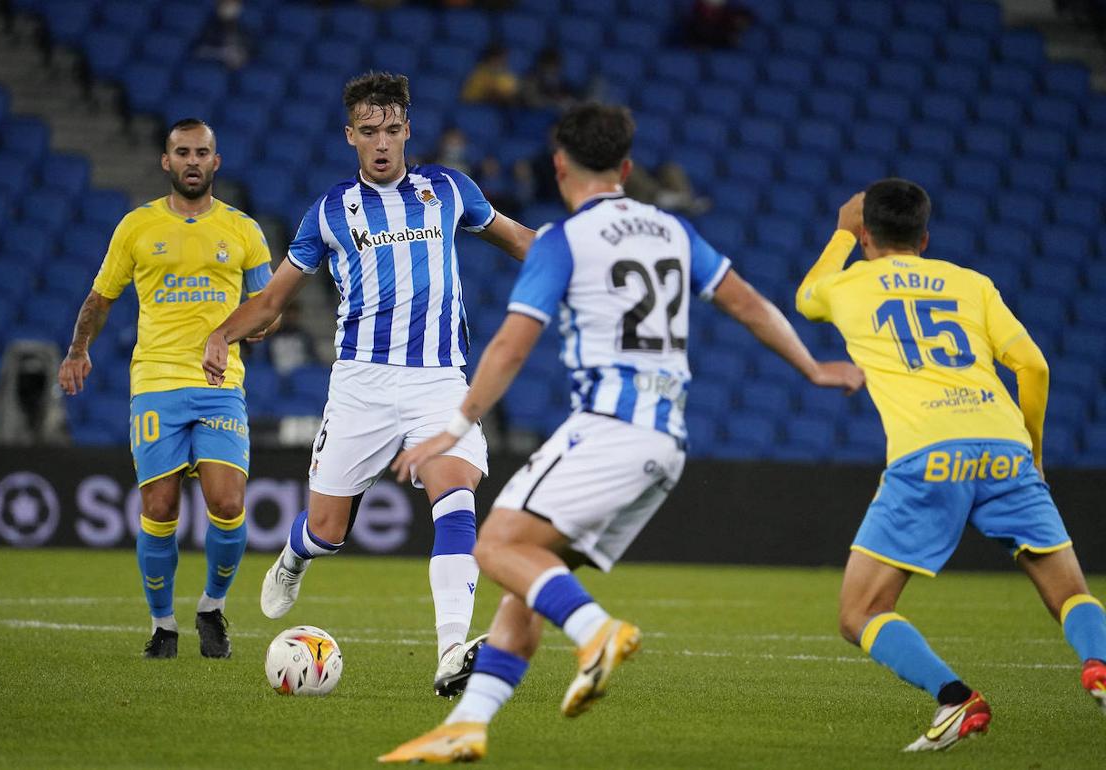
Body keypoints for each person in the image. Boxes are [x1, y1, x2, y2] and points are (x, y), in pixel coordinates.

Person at [377, 103, 863, 763]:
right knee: (529, 580)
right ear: (627, 168)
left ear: (558, 166)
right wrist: (811, 365)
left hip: (608, 428)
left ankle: (597, 630)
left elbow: (511, 349)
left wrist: (453, 426)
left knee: (494, 547)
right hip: (666, 444)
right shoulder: (672, 230)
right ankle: (468, 722)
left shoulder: (563, 240)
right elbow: (746, 302)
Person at [201, 71, 535, 696]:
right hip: (361, 385)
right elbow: (272, 299)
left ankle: (449, 653)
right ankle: (297, 555)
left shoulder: (449, 190)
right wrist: (222, 334)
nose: (381, 142)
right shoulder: (330, 212)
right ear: (349, 136)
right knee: (327, 530)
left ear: (407, 130)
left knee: (456, 498)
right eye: (368, 132)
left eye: (391, 129)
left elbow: (519, 240)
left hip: (439, 381)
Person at [795, 180, 1106, 751]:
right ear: (925, 236)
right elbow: (1034, 367)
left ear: (867, 235)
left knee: (859, 612)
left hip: (928, 454)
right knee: (1070, 594)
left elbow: (806, 296)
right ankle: (1100, 665)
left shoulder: (847, 285)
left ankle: (956, 699)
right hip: (1004, 447)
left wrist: (841, 234)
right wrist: (1032, 453)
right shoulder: (971, 283)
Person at [57, 118, 274, 660]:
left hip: (220, 384)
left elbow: (267, 309)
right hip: (154, 383)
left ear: (216, 162)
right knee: (158, 507)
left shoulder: (243, 229)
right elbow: (100, 299)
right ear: (166, 161)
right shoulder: (136, 226)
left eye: (203, 151)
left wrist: (232, 333)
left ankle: (211, 608)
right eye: (183, 152)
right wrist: (78, 349)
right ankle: (162, 625)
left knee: (227, 502)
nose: (193, 160)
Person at [194, 0, 254, 70]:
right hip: (214, 69)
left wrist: (241, 55)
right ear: (219, 7)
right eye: (227, 4)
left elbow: (252, 52)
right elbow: (199, 51)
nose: (230, 8)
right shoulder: (209, 27)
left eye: (234, 5)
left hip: (239, 71)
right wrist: (222, 53)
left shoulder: (243, 29)